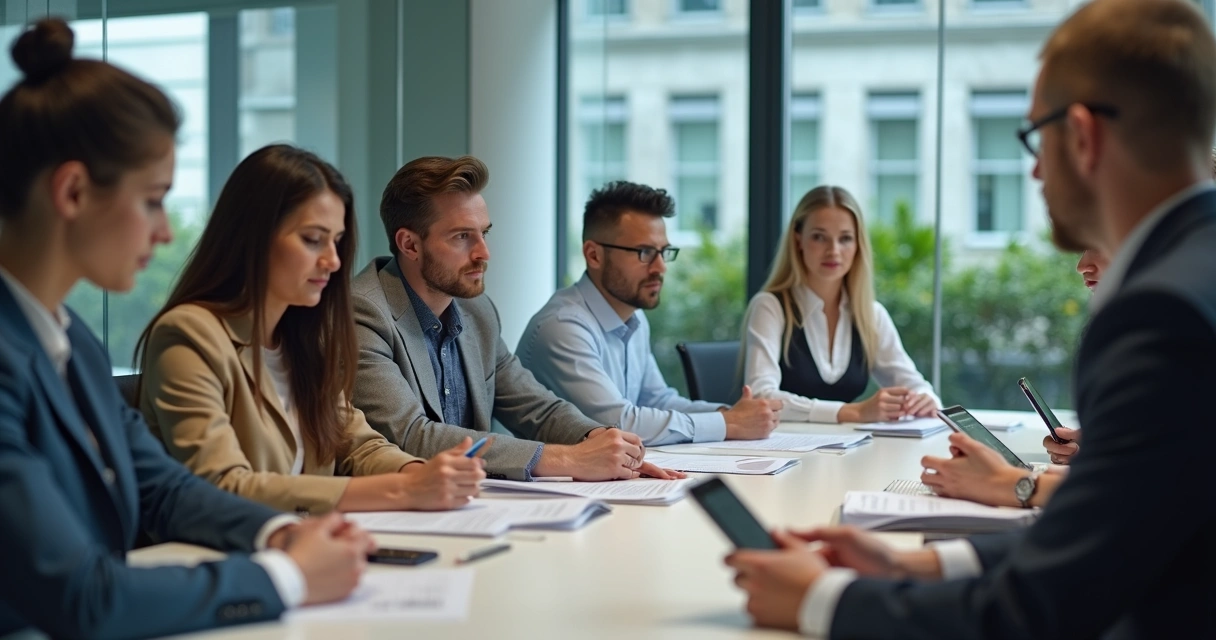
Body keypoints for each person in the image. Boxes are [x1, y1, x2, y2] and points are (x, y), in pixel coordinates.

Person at [725, 1, 1216, 637]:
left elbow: (1047, 606)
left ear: (1084, 136)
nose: (1036, 171)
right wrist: (924, 564)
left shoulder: (1159, 315)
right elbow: (1120, 531)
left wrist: (826, 601)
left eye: (1036, 138)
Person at [0, 19, 372, 638]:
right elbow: (82, 597)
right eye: (152, 200)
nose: (165, 231)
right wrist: (288, 576)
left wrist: (281, 531)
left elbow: (165, 489)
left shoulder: (75, 346)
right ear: (72, 192)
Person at [137, 144, 485, 516]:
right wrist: (404, 488)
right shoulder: (188, 335)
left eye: (335, 242)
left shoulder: (299, 336)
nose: (333, 261)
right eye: (312, 240)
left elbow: (357, 445)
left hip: (307, 548)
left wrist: (420, 472)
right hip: (222, 560)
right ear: (252, 236)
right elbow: (223, 485)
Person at [351, 156, 681, 481]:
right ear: (409, 244)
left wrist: (598, 440)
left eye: (484, 233)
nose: (484, 252)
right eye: (462, 237)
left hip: (469, 502)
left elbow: (536, 407)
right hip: (390, 514)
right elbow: (410, 437)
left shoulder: (477, 311)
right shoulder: (363, 312)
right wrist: (568, 459)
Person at [517, 181, 781, 446]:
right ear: (593, 255)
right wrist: (729, 423)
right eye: (644, 252)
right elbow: (618, 423)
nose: (661, 267)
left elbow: (658, 400)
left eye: (664, 252)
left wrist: (727, 413)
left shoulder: (634, 319)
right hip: (538, 483)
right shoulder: (563, 327)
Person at [742, 185, 940, 424]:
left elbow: (914, 384)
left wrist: (925, 398)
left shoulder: (870, 314)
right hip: (782, 454)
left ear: (858, 246)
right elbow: (761, 397)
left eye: (845, 238)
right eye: (819, 237)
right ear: (798, 240)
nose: (833, 251)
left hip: (848, 451)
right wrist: (853, 412)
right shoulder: (770, 307)